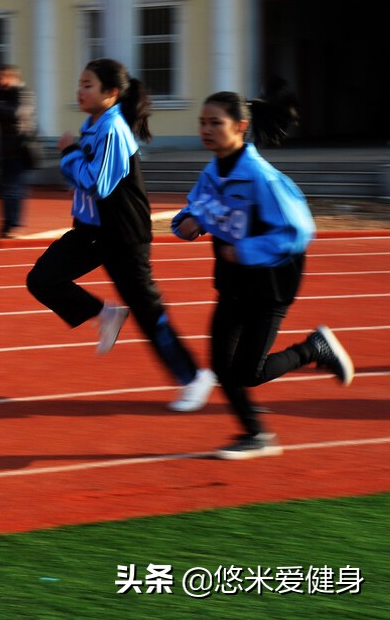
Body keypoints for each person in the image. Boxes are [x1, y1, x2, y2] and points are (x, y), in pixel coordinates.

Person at [26, 58, 216, 412]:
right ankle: (106, 313)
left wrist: (68, 152)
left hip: (123, 236)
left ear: (111, 93)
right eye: (80, 83)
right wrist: (74, 155)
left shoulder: (113, 129)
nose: (80, 91)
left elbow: (98, 182)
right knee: (42, 279)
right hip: (91, 231)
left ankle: (193, 377)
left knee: (149, 313)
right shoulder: (94, 124)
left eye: (87, 84)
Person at [172, 90, 354, 459]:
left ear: (240, 127)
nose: (206, 130)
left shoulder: (262, 178)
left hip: (271, 283)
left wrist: (245, 250)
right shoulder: (212, 172)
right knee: (223, 367)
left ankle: (312, 349)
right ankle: (254, 435)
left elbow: (298, 232)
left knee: (247, 372)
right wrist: (186, 223)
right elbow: (194, 209)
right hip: (232, 281)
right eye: (202, 123)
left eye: (215, 123)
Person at [0, 64, 38, 244]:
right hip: (5, 150)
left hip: (19, 150)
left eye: (1, 78)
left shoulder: (21, 93)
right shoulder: (3, 95)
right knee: (3, 190)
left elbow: (15, 113)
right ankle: (6, 226)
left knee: (13, 189)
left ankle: (14, 225)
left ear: (13, 77)